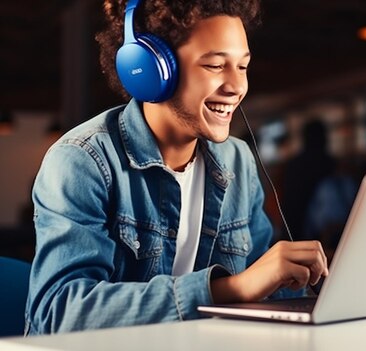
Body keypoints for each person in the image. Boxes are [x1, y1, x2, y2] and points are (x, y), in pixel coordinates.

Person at [25, 0, 327, 335]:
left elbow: (266, 286)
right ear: (150, 70)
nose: (237, 87)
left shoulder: (237, 161)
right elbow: (58, 312)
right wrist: (230, 289)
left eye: (242, 67)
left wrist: (317, 285)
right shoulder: (82, 161)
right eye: (215, 66)